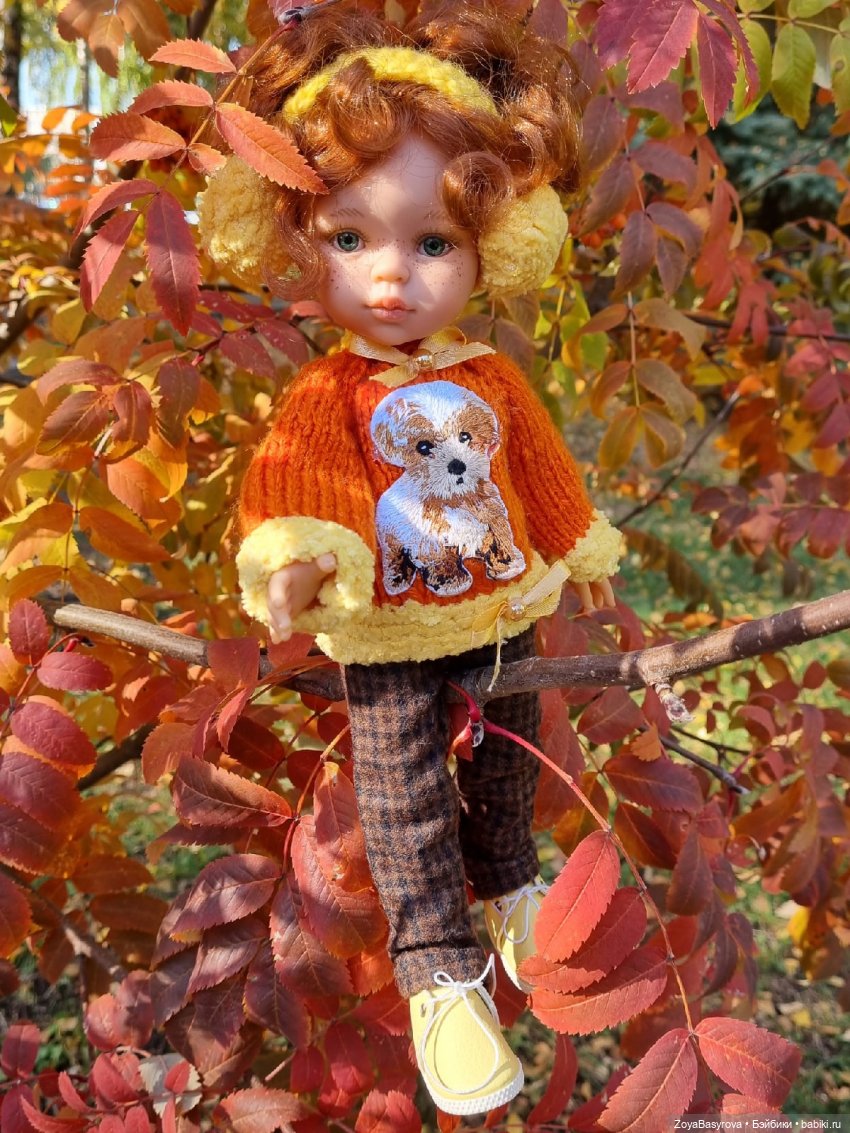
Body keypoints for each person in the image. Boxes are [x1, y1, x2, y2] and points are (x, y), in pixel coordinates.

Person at [198, 0, 620, 1115]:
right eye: (351, 239)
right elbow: (301, 484)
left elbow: (539, 470)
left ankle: (512, 886)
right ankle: (439, 969)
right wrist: (299, 558)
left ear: (497, 244)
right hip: (385, 633)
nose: (390, 279)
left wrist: (577, 543)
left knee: (508, 759)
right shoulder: (327, 391)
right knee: (402, 796)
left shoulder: (490, 376)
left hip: (502, 611)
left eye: (433, 244)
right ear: (296, 236)